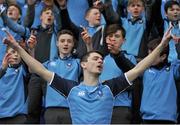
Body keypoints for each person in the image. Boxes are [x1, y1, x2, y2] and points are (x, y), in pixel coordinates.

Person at [2, 25, 174, 124]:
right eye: (95, 58)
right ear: (83, 64)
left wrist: (161, 45)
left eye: (102, 59)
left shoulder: (110, 87)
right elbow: (39, 69)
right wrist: (18, 47)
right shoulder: (70, 88)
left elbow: (138, 69)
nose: (100, 61)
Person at [42, 29, 81, 124]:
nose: (66, 44)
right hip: (51, 110)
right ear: (57, 43)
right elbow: (32, 69)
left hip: (71, 110)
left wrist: (89, 44)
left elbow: (90, 65)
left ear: (73, 44)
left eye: (69, 41)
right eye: (62, 41)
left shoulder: (78, 63)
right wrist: (32, 49)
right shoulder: (49, 64)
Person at [0, 45, 29, 124]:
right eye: (13, 52)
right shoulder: (1, 69)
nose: (16, 54)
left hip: (18, 117)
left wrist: (31, 49)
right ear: (6, 54)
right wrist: (3, 69)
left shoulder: (23, 69)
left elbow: (32, 66)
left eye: (18, 52)